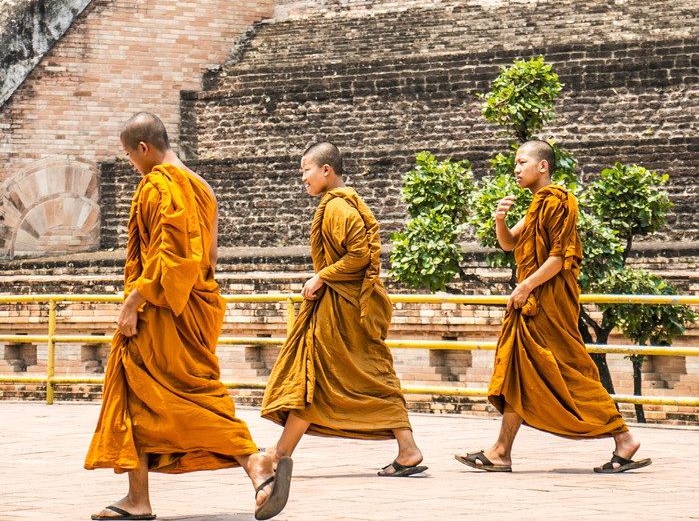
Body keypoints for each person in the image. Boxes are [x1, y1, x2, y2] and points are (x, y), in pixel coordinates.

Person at [85, 112, 292, 521]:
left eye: (129, 155)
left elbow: (173, 256)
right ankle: (241, 468)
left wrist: (133, 304)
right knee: (172, 396)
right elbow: (208, 257)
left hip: (159, 311)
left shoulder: (159, 184)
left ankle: (251, 461)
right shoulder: (203, 188)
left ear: (144, 149)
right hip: (193, 310)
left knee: (149, 395)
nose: (130, 164)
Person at [455, 139, 651, 475]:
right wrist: (500, 220)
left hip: (547, 303)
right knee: (520, 370)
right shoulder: (535, 205)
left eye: (521, 163)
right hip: (532, 302)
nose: (516, 170)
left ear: (542, 166)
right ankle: (501, 451)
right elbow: (510, 243)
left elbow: (560, 258)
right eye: (515, 165)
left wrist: (525, 286)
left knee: (569, 371)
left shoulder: (559, 201)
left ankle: (623, 437)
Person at [261, 141, 427, 478]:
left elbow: (360, 255)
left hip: (343, 308)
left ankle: (279, 454)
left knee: (319, 378)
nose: (302, 178)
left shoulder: (338, 208)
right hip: (341, 306)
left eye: (306, 170)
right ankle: (407, 448)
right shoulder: (334, 203)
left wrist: (322, 276)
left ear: (326, 170)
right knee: (355, 377)